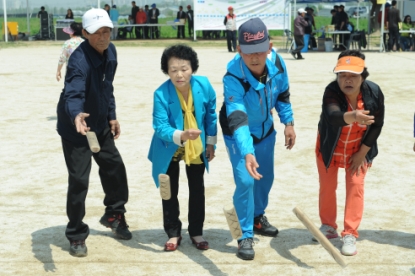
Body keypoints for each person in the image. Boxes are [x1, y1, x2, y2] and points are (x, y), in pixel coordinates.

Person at [56, 8, 131, 258]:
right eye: (97, 32)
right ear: (86, 33)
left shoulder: (111, 52)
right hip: (76, 127)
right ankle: (76, 234)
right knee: (79, 181)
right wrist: (76, 114)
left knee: (114, 167)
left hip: (99, 124)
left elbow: (107, 87)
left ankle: (114, 215)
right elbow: (73, 92)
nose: (103, 36)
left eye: (107, 31)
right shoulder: (79, 60)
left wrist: (112, 115)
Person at [219, 18, 296, 260]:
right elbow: (238, 118)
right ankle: (244, 234)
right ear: (239, 49)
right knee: (246, 181)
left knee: (266, 177)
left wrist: (288, 123)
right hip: (238, 133)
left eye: (260, 50)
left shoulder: (278, 63)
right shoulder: (233, 77)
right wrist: (247, 152)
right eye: (249, 51)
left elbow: (283, 95)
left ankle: (257, 217)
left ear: (270, 47)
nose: (255, 57)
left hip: (266, 130)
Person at [315, 50, 385, 256]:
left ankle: (350, 233)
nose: (347, 80)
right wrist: (353, 115)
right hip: (330, 148)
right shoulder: (331, 91)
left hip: (358, 148)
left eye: (353, 75)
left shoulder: (374, 93)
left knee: (355, 187)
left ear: (363, 76)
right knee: (327, 187)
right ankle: (328, 226)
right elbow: (333, 116)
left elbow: (377, 125)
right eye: (342, 75)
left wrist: (362, 153)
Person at [148, 44, 217, 252]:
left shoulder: (204, 85)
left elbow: (211, 115)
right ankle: (173, 232)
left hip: (196, 144)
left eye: (184, 68)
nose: (179, 74)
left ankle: (196, 231)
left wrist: (211, 143)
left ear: (192, 68)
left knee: (197, 188)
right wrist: (181, 135)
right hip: (169, 145)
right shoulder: (161, 93)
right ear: (166, 70)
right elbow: (160, 126)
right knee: (169, 191)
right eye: (173, 70)